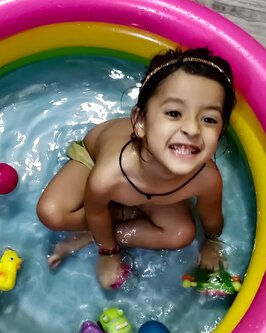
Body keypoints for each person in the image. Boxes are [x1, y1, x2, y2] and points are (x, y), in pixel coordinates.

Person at [36, 48, 236, 289]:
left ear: (220, 133)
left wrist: (212, 243)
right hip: (95, 159)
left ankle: (91, 236)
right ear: (140, 122)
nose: (192, 130)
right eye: (174, 113)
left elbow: (211, 218)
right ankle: (114, 224)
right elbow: (96, 213)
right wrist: (109, 253)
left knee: (182, 234)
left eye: (209, 119)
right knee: (51, 212)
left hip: (151, 193)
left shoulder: (206, 179)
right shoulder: (108, 176)